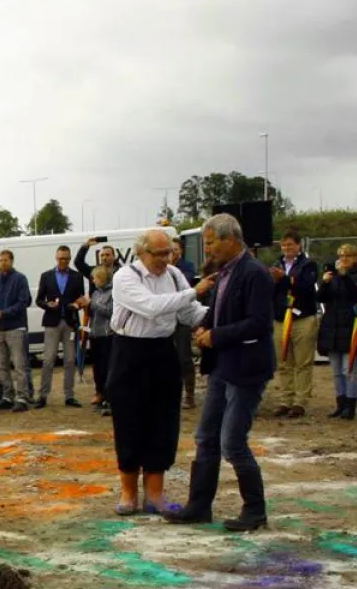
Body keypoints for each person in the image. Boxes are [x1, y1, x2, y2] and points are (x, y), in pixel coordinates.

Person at [165, 214, 275, 532]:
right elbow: (221, 310)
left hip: (246, 368)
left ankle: (255, 510)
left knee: (232, 442)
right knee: (206, 437)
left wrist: (217, 336)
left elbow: (259, 323)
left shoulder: (254, 273)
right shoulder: (225, 273)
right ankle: (199, 506)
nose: (208, 249)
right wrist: (206, 326)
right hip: (223, 367)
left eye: (211, 243)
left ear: (231, 239)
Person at [108, 228, 214, 516]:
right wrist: (195, 291)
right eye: (160, 253)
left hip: (163, 351)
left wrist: (217, 316)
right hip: (129, 352)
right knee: (130, 421)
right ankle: (128, 492)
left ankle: (155, 494)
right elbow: (151, 307)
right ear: (142, 252)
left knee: (163, 422)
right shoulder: (126, 276)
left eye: (169, 252)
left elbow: (188, 312)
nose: (166, 258)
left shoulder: (175, 275)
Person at [269, 229, 320, 418]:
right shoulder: (277, 264)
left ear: (298, 245)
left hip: (302, 317)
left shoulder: (309, 264)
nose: (287, 248)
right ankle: (285, 400)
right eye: (284, 244)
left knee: (303, 361)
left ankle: (300, 401)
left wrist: (286, 278)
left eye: (290, 244)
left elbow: (306, 287)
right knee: (283, 360)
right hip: (281, 317)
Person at [34, 246, 88, 408]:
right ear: (56, 258)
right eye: (60, 258)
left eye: (66, 258)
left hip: (70, 323)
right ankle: (43, 396)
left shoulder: (77, 277)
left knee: (70, 360)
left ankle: (69, 395)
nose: (63, 261)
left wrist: (77, 305)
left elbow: (81, 299)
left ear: (70, 259)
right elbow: (38, 300)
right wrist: (47, 304)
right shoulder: (46, 276)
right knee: (48, 360)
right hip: (52, 322)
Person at [317, 243, 357, 420]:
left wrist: (344, 277)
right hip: (332, 326)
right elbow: (321, 298)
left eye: (347, 256)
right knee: (336, 370)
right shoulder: (335, 276)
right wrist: (324, 282)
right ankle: (341, 403)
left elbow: (355, 294)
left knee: (349, 369)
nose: (343, 259)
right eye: (341, 256)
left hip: (351, 326)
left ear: (355, 258)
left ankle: (351, 405)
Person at [0, 249, 32, 413]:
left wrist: (3, 313)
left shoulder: (20, 279)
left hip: (16, 327)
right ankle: (7, 396)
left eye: (6, 260)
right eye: (1, 260)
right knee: (2, 365)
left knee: (19, 365)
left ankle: (22, 397)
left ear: (12, 261)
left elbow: (23, 302)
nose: (3, 263)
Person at [168, 240, 199, 409]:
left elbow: (182, 287)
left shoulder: (186, 267)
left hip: (182, 319)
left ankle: (190, 395)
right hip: (165, 319)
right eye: (169, 250)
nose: (172, 252)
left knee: (184, 356)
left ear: (180, 251)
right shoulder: (159, 268)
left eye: (175, 249)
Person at [88, 265, 114, 415]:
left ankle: (109, 397)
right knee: (97, 367)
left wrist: (93, 304)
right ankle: (100, 393)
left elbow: (110, 311)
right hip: (95, 334)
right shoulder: (95, 293)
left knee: (107, 366)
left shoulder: (112, 293)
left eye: (95, 278)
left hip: (107, 334)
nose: (93, 280)